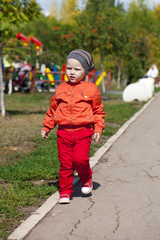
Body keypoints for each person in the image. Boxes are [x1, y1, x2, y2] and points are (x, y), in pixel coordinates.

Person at [41, 49, 105, 204]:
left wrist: (98, 128)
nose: (72, 72)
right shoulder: (61, 89)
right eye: (69, 68)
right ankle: (65, 192)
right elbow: (53, 110)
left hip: (83, 132)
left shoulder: (92, 89)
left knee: (80, 159)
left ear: (86, 71)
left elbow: (98, 111)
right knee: (65, 164)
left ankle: (86, 178)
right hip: (63, 133)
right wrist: (47, 126)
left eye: (77, 69)